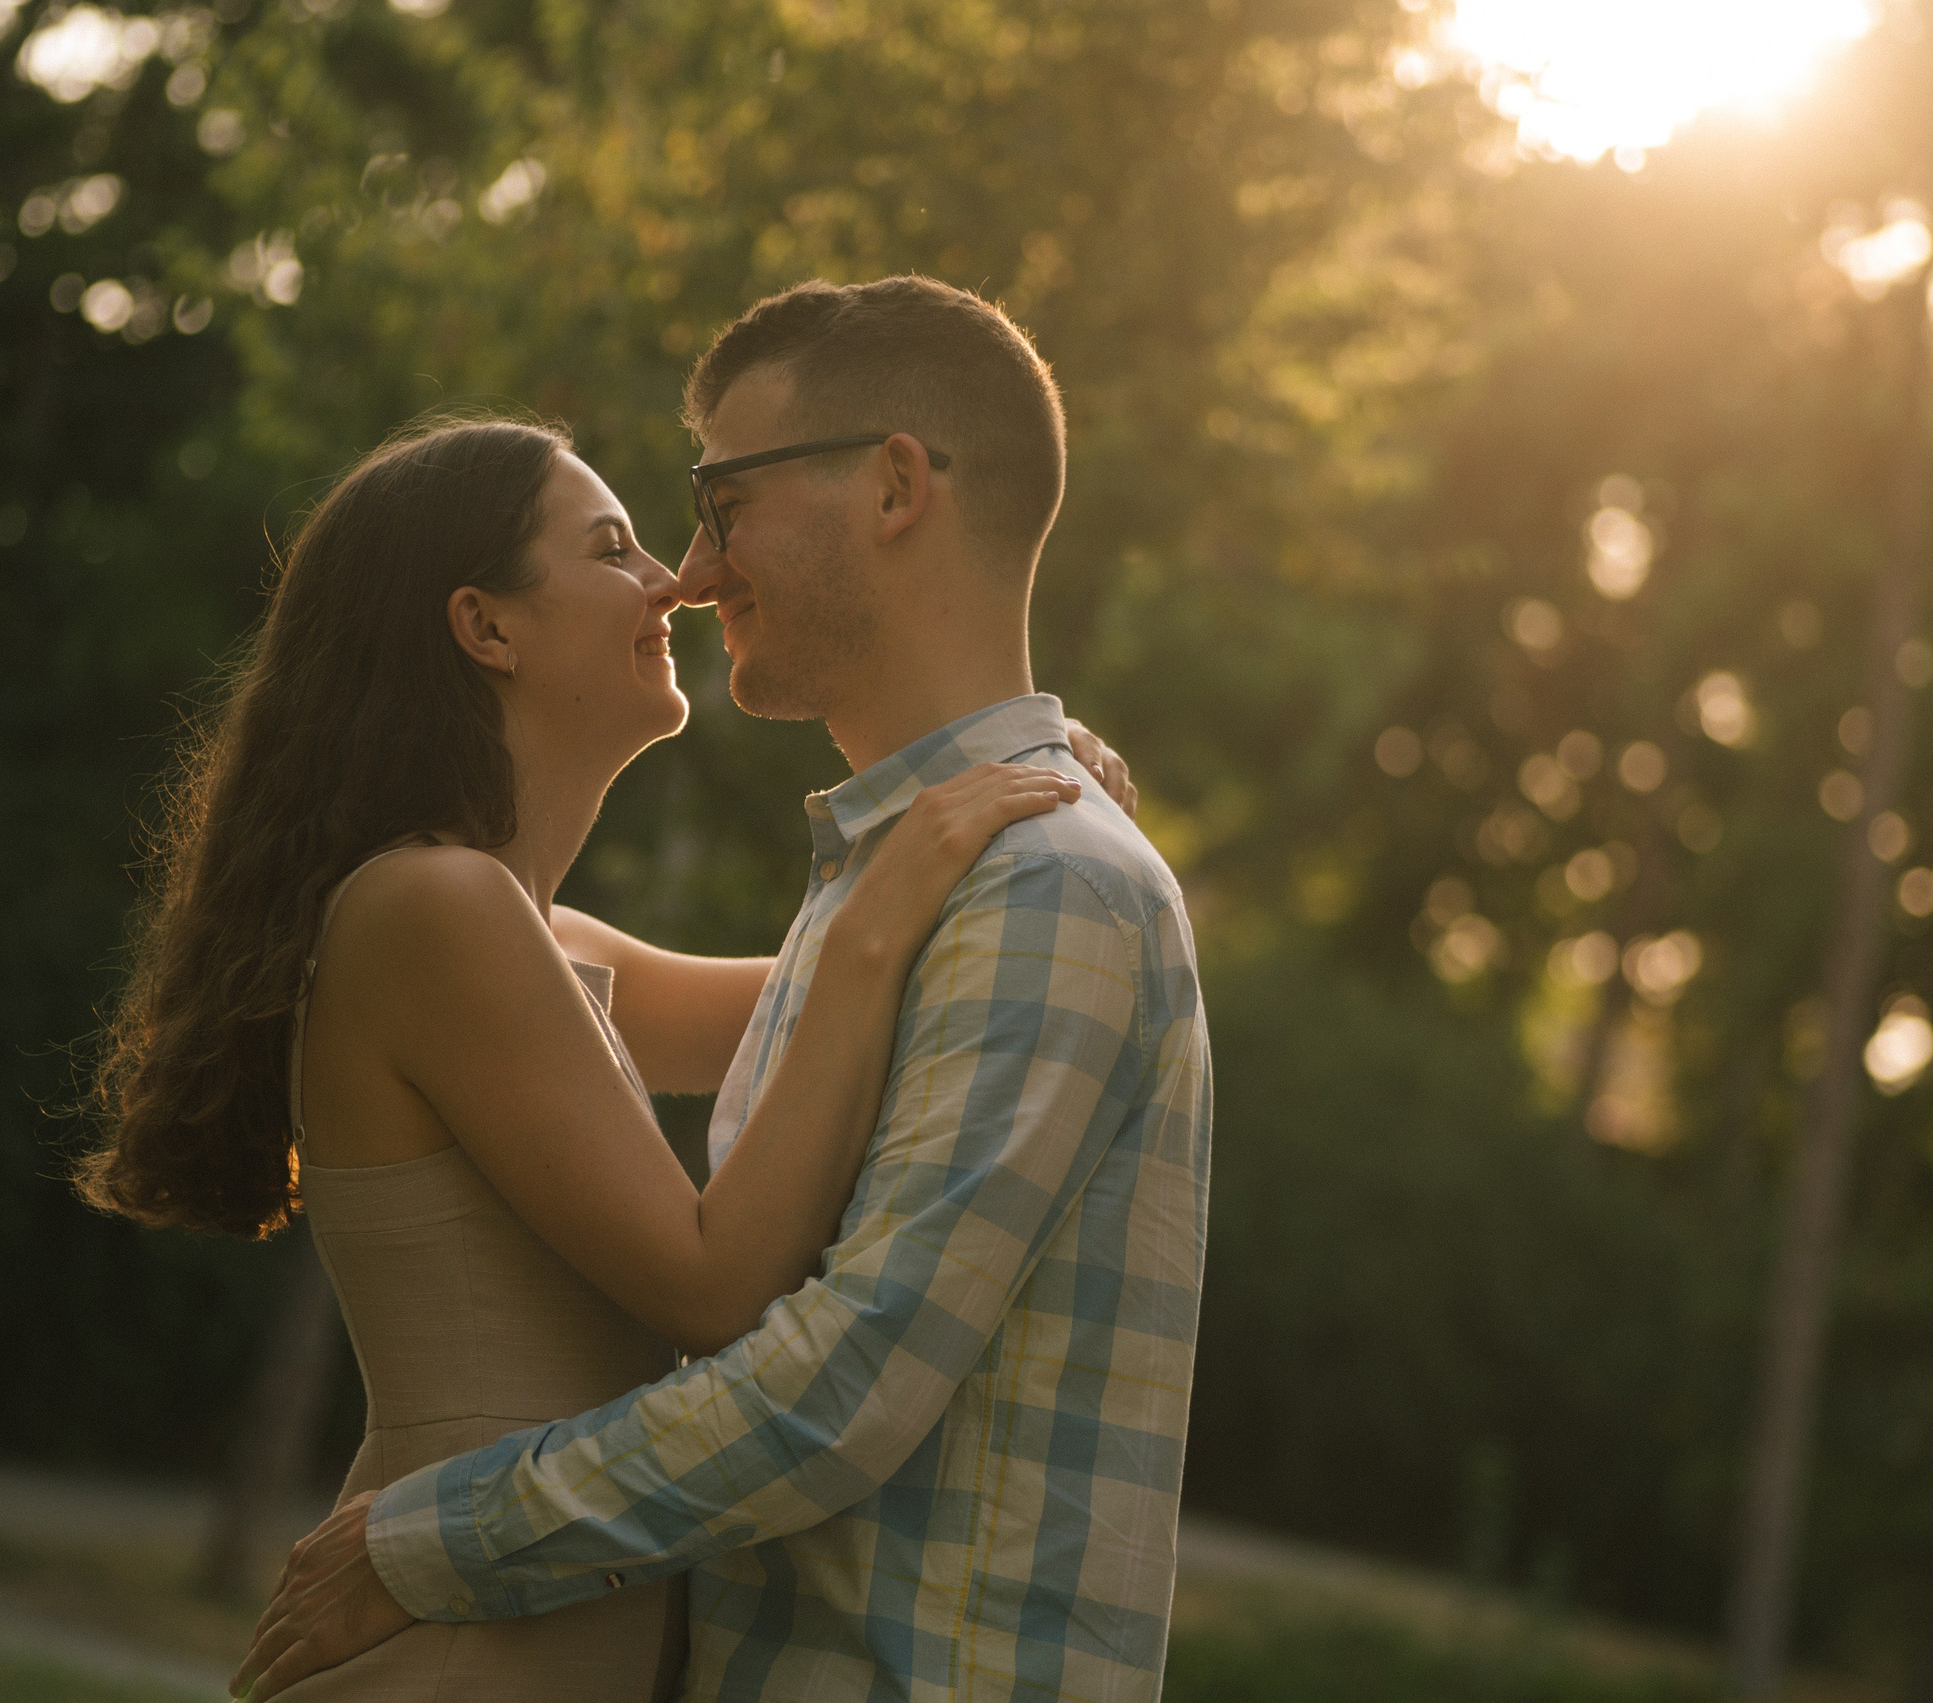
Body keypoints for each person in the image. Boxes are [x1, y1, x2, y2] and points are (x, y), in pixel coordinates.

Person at [238, 276, 1212, 1703]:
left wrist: (1037, 791)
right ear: (483, 630)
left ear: (893, 487)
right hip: (475, 1647)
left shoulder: (1027, 887)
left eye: (717, 502)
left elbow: (832, 1383)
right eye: (630, 542)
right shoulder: (865, 904)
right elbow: (737, 1289)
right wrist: (943, 859)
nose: (685, 573)